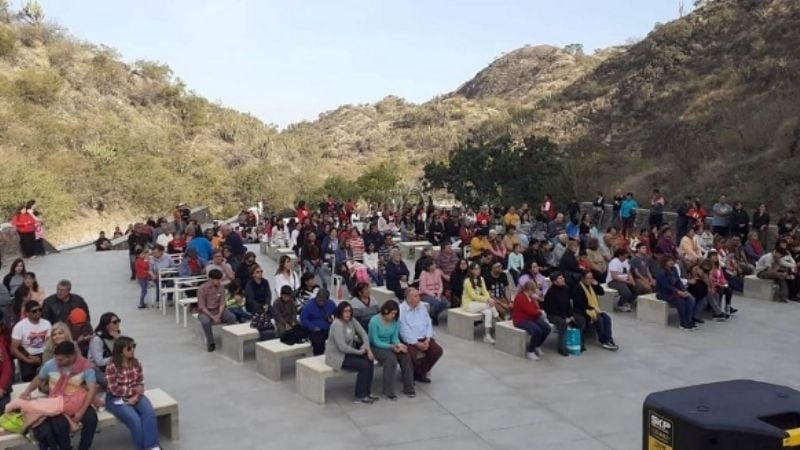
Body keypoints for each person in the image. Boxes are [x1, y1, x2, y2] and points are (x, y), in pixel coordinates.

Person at [19, 340, 99, 450]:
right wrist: (26, 392)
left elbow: (92, 389)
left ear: (71, 357)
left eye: (60, 359)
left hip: (78, 401)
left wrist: (81, 412)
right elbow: (39, 379)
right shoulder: (51, 364)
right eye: (56, 358)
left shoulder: (85, 366)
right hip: (57, 402)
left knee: (91, 419)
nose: (57, 361)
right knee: (60, 426)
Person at [104, 336, 161, 450]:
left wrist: (136, 395)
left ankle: (152, 446)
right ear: (121, 351)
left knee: (149, 412)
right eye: (129, 348)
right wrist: (131, 394)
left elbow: (140, 381)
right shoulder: (112, 366)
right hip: (115, 398)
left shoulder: (136, 363)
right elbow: (114, 389)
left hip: (135, 395)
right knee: (135, 421)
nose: (133, 350)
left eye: (134, 346)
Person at [325, 302, 376, 404]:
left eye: (349, 311)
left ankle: (367, 392)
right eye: (345, 311)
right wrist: (359, 352)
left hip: (351, 352)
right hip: (338, 356)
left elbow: (363, 333)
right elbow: (342, 347)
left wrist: (366, 347)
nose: (348, 314)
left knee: (369, 361)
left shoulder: (352, 321)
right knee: (364, 365)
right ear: (340, 312)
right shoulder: (337, 324)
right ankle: (359, 396)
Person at [368, 300, 415, 399]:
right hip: (376, 347)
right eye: (392, 313)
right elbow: (375, 341)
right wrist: (392, 347)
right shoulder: (374, 321)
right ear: (385, 311)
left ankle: (409, 387)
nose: (393, 316)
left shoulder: (395, 322)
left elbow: (394, 337)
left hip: (390, 344)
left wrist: (398, 344)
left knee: (406, 356)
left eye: (395, 314)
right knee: (391, 360)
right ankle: (388, 390)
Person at [398, 288, 443, 383]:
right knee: (410, 356)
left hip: (424, 337)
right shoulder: (401, 310)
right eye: (415, 296)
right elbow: (404, 330)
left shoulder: (422, 306)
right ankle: (409, 375)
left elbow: (428, 323)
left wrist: (428, 338)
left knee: (437, 351)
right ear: (408, 299)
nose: (419, 298)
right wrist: (416, 343)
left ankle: (419, 373)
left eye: (418, 295)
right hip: (410, 340)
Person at [543, 272, 586, 356]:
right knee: (562, 324)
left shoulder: (566, 289)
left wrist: (570, 315)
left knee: (581, 320)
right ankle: (561, 347)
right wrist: (565, 317)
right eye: (560, 278)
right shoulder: (551, 292)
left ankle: (579, 343)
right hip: (553, 315)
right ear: (555, 282)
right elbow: (550, 309)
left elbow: (568, 304)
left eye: (562, 278)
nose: (563, 279)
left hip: (565, 313)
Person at [572, 271, 618, 350]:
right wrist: (592, 309)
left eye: (591, 278)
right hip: (583, 311)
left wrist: (597, 285)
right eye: (588, 278)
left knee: (607, 318)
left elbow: (601, 292)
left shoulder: (592, 286)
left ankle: (609, 339)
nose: (590, 280)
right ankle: (603, 341)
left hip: (595, 310)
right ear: (583, 279)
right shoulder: (578, 288)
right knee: (599, 320)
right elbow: (580, 304)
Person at [197, 269, 237, 352]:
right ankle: (210, 342)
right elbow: (202, 306)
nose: (219, 281)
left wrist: (219, 315)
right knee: (205, 322)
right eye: (217, 280)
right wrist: (213, 317)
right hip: (206, 312)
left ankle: (229, 338)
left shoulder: (221, 288)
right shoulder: (202, 289)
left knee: (232, 317)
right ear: (211, 279)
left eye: (220, 279)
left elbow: (222, 303)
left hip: (218, 310)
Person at [11, 300, 52, 381]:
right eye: (34, 311)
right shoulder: (20, 326)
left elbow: (50, 342)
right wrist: (28, 360)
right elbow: (13, 349)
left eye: (40, 310)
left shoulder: (47, 323)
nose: (38, 312)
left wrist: (42, 359)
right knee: (28, 376)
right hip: (27, 354)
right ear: (27, 313)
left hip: (45, 353)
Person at [512, 280, 551, 360]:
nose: (534, 292)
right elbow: (530, 311)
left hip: (531, 317)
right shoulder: (520, 297)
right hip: (520, 319)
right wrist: (539, 312)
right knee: (537, 331)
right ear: (529, 289)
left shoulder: (530, 298)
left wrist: (537, 311)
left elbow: (535, 309)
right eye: (533, 290)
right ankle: (530, 351)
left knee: (547, 328)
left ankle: (537, 345)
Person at [655, 257, 698, 330]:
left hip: (676, 291)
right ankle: (683, 323)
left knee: (691, 299)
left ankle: (689, 320)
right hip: (664, 293)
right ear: (664, 262)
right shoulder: (661, 272)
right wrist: (678, 292)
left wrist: (684, 290)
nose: (672, 262)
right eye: (669, 261)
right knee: (680, 301)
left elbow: (678, 281)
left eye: (672, 260)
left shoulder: (674, 269)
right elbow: (665, 286)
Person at [461, 262, 499, 344]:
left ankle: (487, 335)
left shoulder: (481, 279)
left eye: (479, 269)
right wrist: (488, 300)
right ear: (471, 271)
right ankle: (498, 319)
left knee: (488, 312)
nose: (478, 271)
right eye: (476, 269)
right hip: (469, 304)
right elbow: (473, 296)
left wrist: (488, 298)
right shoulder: (467, 281)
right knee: (489, 305)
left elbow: (485, 292)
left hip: (479, 304)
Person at [299, 288, 336, 355]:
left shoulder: (331, 304)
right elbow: (303, 319)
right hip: (314, 330)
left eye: (323, 301)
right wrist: (312, 327)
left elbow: (337, 313)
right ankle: (318, 357)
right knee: (319, 342)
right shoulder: (309, 306)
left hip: (327, 327)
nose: (320, 302)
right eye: (319, 300)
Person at [88, 312, 120, 389]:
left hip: (112, 366)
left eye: (118, 321)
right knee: (111, 383)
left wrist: (118, 340)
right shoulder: (97, 339)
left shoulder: (116, 335)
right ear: (106, 325)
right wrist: (115, 357)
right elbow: (99, 362)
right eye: (114, 322)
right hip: (97, 369)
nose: (118, 324)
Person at [417, 260, 448, 325]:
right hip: (425, 294)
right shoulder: (424, 273)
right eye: (433, 264)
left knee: (445, 303)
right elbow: (423, 288)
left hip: (437, 293)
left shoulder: (438, 272)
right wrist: (433, 295)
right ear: (428, 267)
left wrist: (439, 294)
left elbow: (440, 285)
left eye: (435, 264)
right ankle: (432, 316)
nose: (435, 266)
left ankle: (433, 314)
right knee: (437, 303)